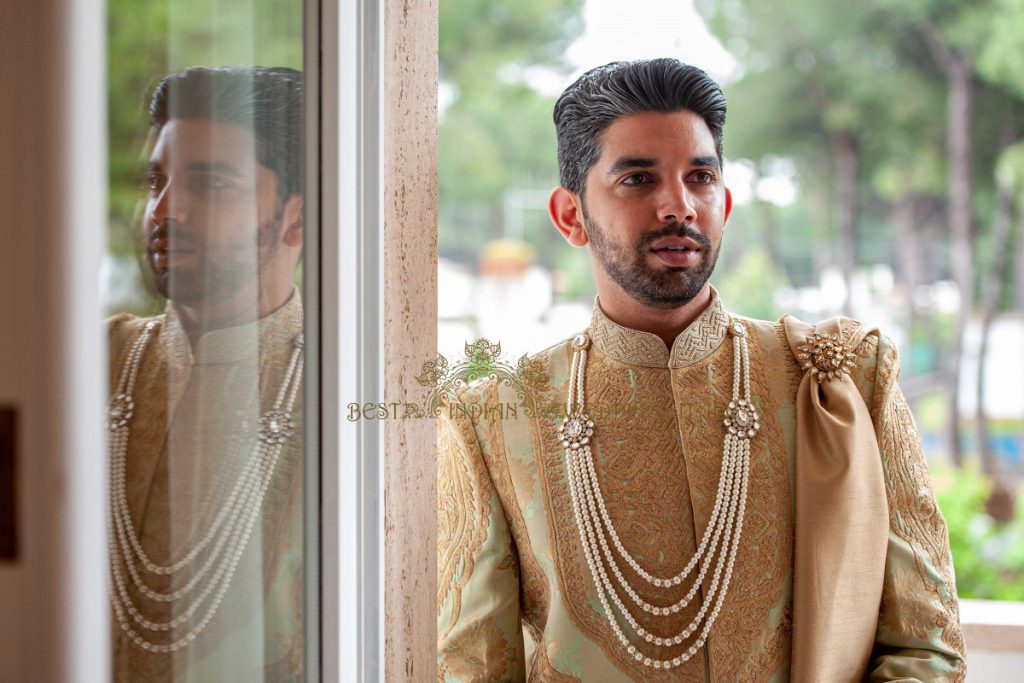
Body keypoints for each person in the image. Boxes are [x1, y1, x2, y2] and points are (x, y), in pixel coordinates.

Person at [437, 59, 965, 682]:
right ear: (570, 216)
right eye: (637, 178)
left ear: (726, 202)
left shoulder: (841, 378)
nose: (677, 205)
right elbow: (471, 671)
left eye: (701, 177)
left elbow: (925, 645)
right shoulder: (493, 420)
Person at [106, 66, 305, 682]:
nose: (166, 211)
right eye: (155, 182)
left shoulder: (352, 395)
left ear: (299, 218)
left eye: (210, 183)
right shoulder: (84, 364)